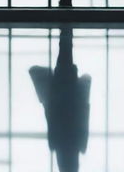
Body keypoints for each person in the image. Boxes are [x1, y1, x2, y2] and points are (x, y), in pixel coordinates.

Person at [29, 28, 91, 172]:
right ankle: (66, 25)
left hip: (69, 93)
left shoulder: (79, 144)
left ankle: (66, 25)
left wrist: (83, 90)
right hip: (60, 93)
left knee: (66, 52)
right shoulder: (55, 143)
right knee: (65, 53)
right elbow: (50, 114)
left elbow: (83, 113)